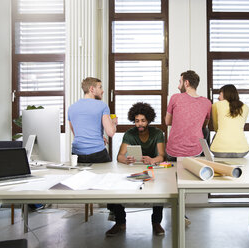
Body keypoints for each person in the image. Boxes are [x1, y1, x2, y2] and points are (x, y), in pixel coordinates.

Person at [106, 102, 165, 237]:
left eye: (143, 121)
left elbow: (162, 155)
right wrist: (125, 160)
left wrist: (152, 159)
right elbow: (119, 156)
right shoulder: (129, 133)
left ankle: (156, 223)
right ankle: (120, 222)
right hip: (133, 169)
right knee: (118, 189)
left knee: (159, 190)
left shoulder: (157, 133)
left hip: (151, 168)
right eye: (137, 121)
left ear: (148, 120)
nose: (140, 124)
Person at [165, 70, 212, 161]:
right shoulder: (207, 102)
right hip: (195, 152)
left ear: (186, 83)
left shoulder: (175, 98)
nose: (178, 86)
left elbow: (167, 122)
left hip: (174, 152)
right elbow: (204, 124)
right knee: (205, 130)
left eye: (180, 82)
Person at [68, 77, 117, 163]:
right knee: (107, 175)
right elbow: (110, 132)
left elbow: (77, 133)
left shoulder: (71, 108)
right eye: (100, 87)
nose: (102, 91)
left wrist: (98, 137)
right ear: (92, 89)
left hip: (77, 154)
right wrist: (114, 123)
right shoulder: (102, 105)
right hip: (97, 153)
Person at [210, 84, 249, 158]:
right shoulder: (245, 107)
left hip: (219, 150)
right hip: (242, 150)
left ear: (225, 94)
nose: (218, 97)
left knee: (216, 135)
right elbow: (241, 125)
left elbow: (216, 128)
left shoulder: (216, 105)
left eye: (220, 94)